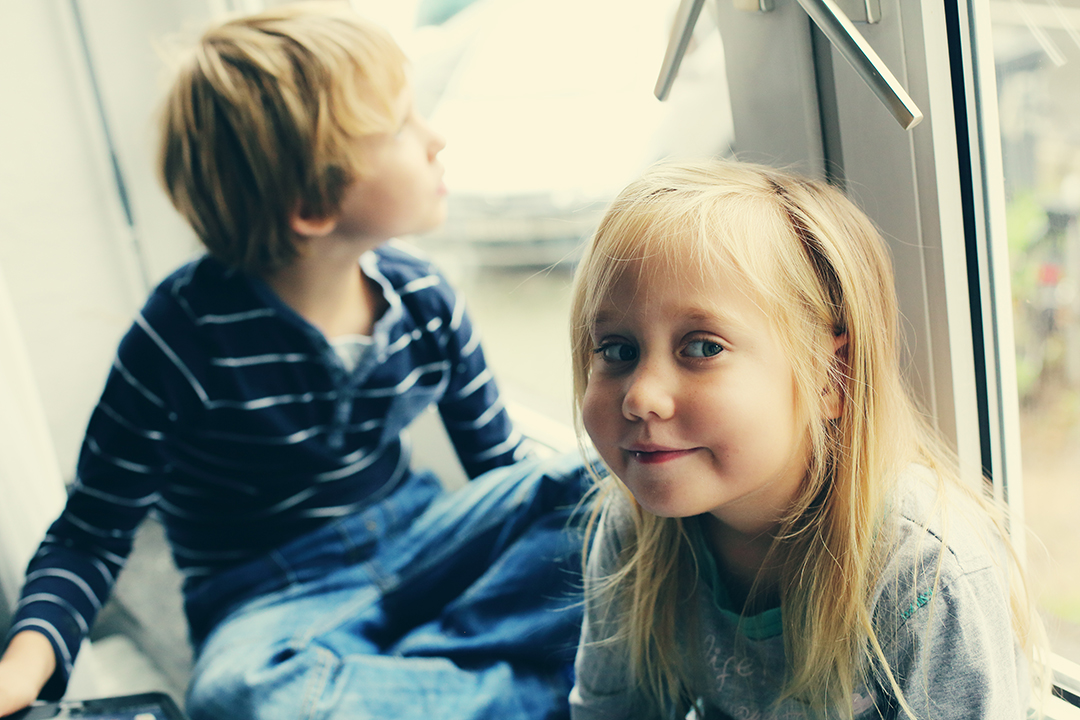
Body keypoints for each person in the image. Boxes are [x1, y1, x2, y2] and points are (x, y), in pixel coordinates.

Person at [0, 3, 588, 719]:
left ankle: (417, 679)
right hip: (268, 598)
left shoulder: (423, 300)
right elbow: (90, 535)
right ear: (312, 204)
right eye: (402, 126)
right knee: (238, 700)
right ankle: (532, 690)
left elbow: (510, 484)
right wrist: (17, 676)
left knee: (584, 490)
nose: (435, 139)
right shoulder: (176, 339)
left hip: (419, 538)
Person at [565, 159, 1048, 719]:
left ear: (827, 375)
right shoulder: (635, 534)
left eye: (702, 347)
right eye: (617, 350)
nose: (640, 396)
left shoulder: (923, 577)